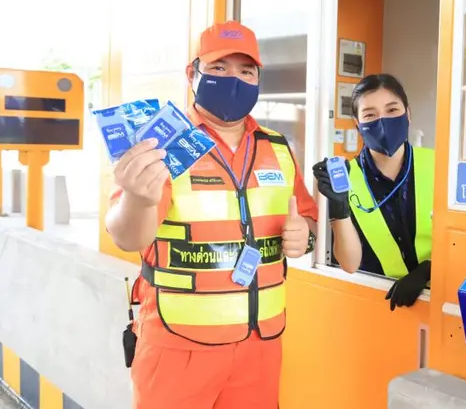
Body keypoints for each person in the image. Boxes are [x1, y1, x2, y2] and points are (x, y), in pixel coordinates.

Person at [105, 20, 318, 409]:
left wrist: (305, 234)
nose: (233, 79)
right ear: (193, 74)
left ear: (258, 79)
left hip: (260, 346)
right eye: (219, 67)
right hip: (177, 347)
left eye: (246, 71)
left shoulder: (277, 147)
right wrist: (137, 198)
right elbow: (126, 236)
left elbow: (307, 219)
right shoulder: (163, 142)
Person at [312, 74, 434, 311]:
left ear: (408, 114)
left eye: (392, 110)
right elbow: (349, 263)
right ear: (357, 124)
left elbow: (462, 240)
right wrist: (339, 206)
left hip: (438, 300)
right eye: (370, 115)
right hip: (378, 302)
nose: (383, 121)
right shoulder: (345, 178)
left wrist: (428, 270)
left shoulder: (439, 166)